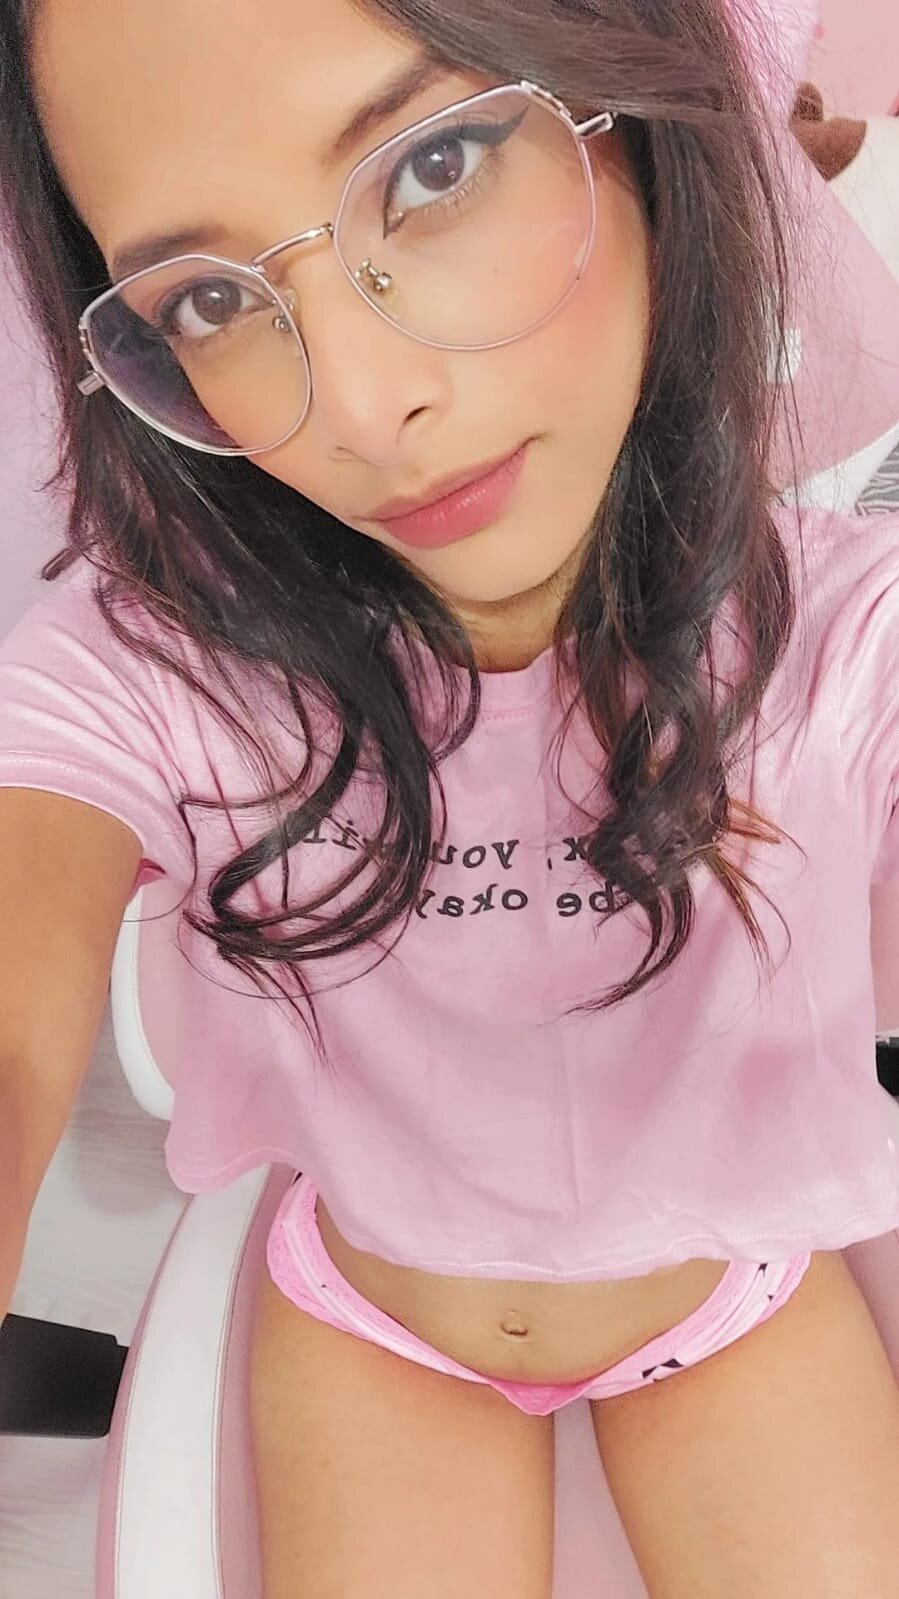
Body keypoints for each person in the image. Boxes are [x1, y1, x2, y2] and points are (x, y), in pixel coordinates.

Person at [0, 0, 898, 1593]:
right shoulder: (164, 667)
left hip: (733, 1306)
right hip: (371, 1325)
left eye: (434, 167)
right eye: (206, 297)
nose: (357, 406)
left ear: (646, 114)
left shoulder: (844, 631)